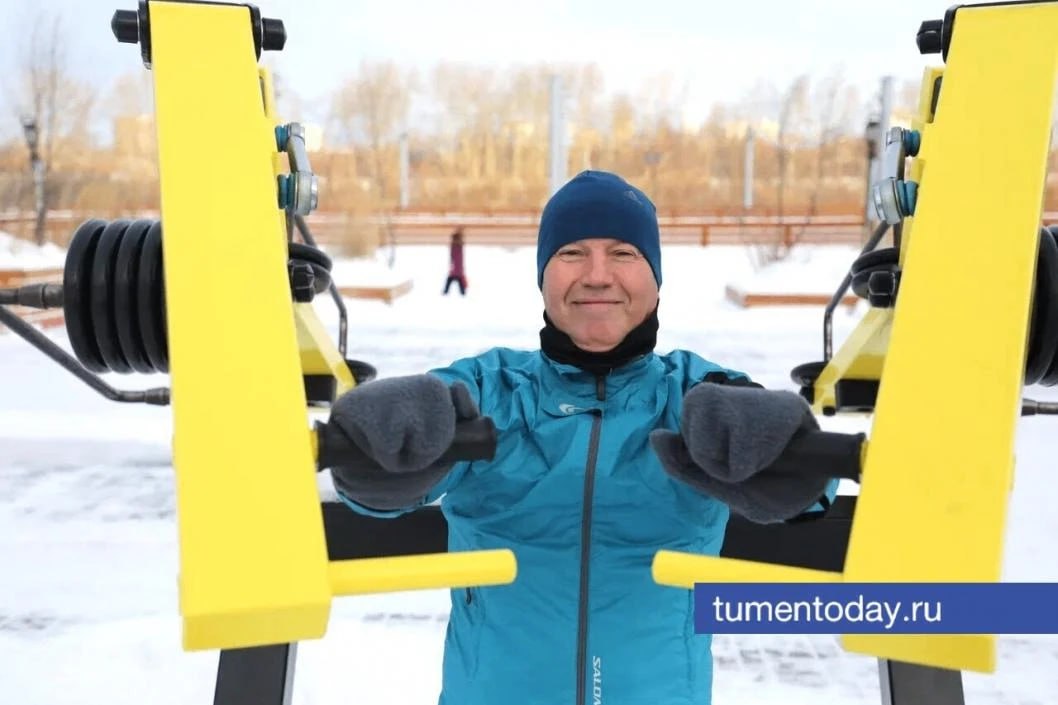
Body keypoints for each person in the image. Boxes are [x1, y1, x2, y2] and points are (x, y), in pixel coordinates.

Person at [318, 170, 849, 705]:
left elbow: (810, 484)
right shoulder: (489, 390)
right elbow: (379, 478)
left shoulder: (698, 395)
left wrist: (782, 465)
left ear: (655, 277)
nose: (597, 275)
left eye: (623, 254)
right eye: (572, 253)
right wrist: (376, 451)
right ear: (543, 276)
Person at [443, 227, 467, 295]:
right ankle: (446, 291)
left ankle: (446, 291)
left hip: (456, 273)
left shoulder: (456, 247)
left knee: (448, 287)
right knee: (461, 291)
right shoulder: (457, 247)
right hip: (457, 273)